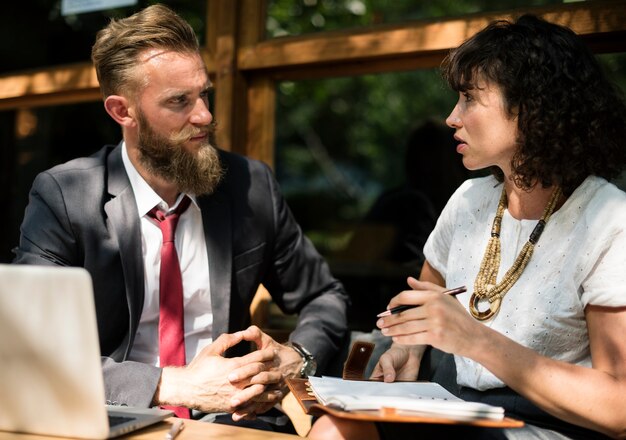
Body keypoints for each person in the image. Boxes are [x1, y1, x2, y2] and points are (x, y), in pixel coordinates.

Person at [12, 3, 349, 430]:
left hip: (233, 422)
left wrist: (297, 356)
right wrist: (172, 385)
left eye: (204, 93)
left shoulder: (250, 186)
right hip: (112, 420)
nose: (205, 115)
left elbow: (326, 297)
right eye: (179, 101)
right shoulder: (66, 196)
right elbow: (30, 349)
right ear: (122, 111)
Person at [309, 14, 626, 440]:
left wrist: (474, 339)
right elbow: (425, 301)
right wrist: (408, 346)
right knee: (335, 427)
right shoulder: (468, 201)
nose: (451, 118)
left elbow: (618, 407)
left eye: (469, 99)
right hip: (455, 410)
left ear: (531, 108)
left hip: (548, 428)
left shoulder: (609, 220)